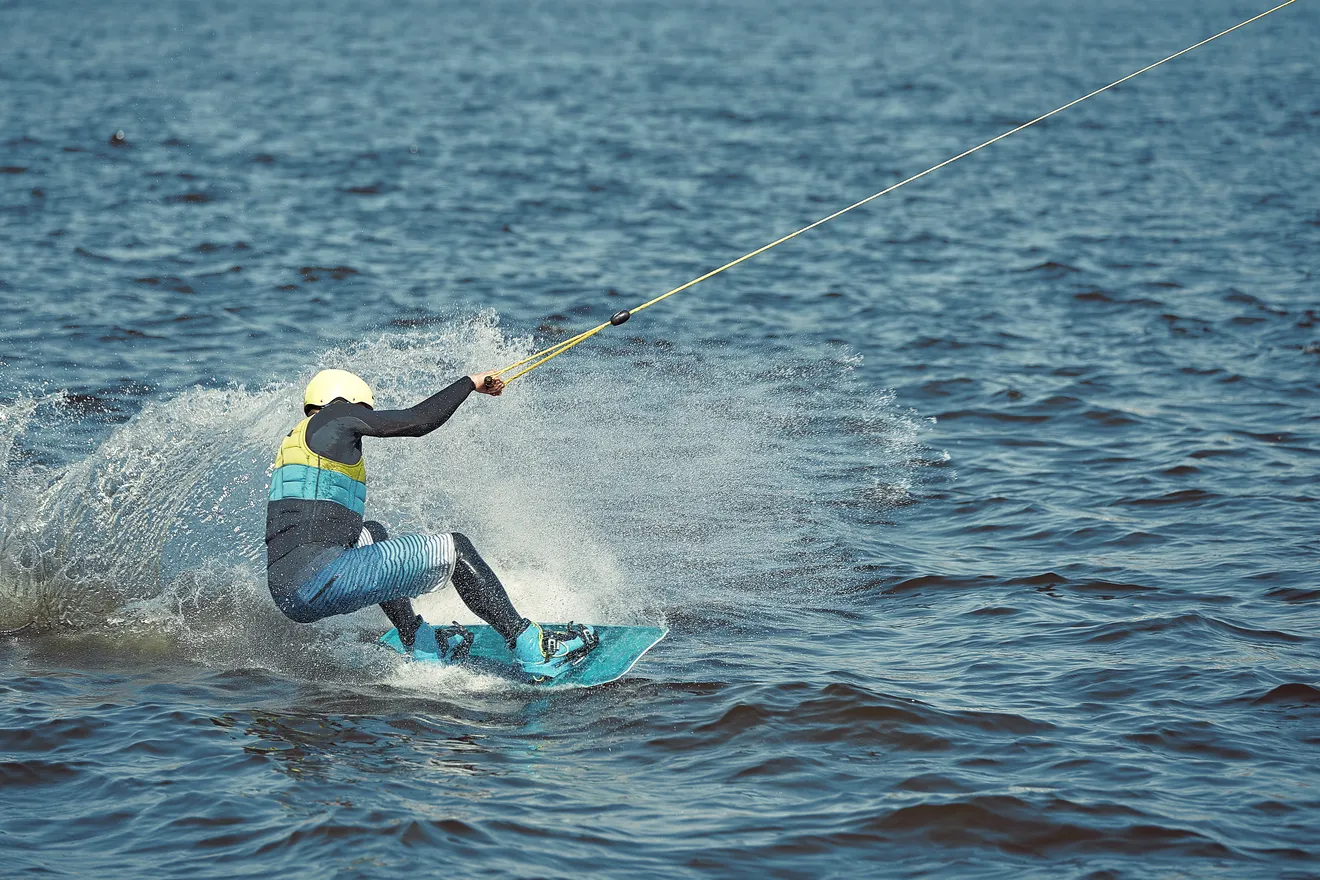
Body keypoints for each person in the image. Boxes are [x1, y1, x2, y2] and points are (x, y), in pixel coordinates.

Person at [264, 368, 595, 679]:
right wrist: (470, 382)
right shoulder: (336, 416)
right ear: (350, 401)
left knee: (374, 534)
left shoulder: (299, 441)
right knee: (455, 549)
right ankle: (533, 648)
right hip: (322, 578)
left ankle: (417, 640)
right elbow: (419, 421)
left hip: (289, 595)